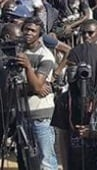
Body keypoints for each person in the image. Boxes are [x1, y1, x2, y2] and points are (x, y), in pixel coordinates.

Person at [51, 43, 97, 170]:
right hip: (75, 163)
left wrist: (95, 134)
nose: (69, 71)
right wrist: (65, 166)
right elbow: (63, 137)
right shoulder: (65, 99)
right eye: (68, 66)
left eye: (72, 66)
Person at [15, 17, 58, 169]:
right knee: (26, 161)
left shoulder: (46, 55)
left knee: (45, 161)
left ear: (40, 34)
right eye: (26, 29)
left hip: (41, 117)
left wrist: (28, 67)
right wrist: (25, 88)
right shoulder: (17, 51)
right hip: (21, 115)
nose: (28, 33)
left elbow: (37, 87)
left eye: (33, 30)